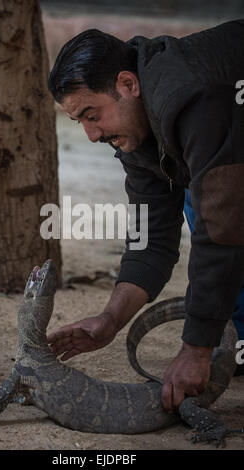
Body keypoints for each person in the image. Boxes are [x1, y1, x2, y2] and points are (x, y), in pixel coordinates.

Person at [47, 21, 244, 414]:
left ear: (127, 84)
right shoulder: (132, 132)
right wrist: (110, 319)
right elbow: (150, 237)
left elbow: (223, 229)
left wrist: (195, 348)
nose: (90, 134)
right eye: (79, 121)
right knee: (199, 195)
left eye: (92, 114)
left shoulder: (193, 95)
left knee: (218, 213)